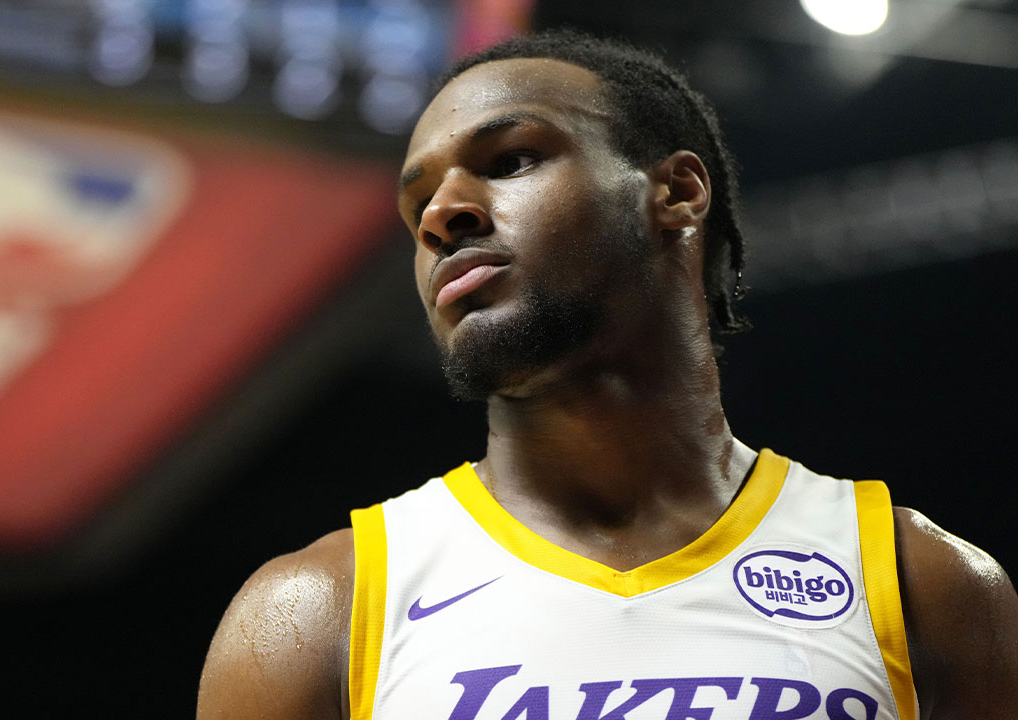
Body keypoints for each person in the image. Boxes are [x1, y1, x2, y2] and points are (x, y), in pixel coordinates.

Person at [196, 30, 1018, 719]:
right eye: (419, 212)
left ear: (677, 192)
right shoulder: (316, 613)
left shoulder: (922, 582)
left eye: (511, 160)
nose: (444, 214)